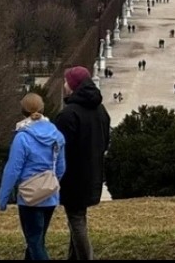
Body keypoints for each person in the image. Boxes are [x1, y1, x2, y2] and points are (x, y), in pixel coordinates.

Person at [0, 93, 67, 261]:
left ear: (23, 111)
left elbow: (13, 169)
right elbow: (61, 167)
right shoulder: (56, 135)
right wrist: (50, 184)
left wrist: (3, 197)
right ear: (42, 108)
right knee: (37, 240)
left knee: (34, 242)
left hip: (29, 196)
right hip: (50, 195)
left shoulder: (22, 137)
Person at [55, 66, 111, 260]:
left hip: (73, 176)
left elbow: (59, 149)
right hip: (93, 172)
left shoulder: (68, 114)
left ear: (73, 85)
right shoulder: (100, 110)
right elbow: (105, 141)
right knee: (78, 217)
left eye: (66, 81)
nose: (64, 85)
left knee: (76, 220)